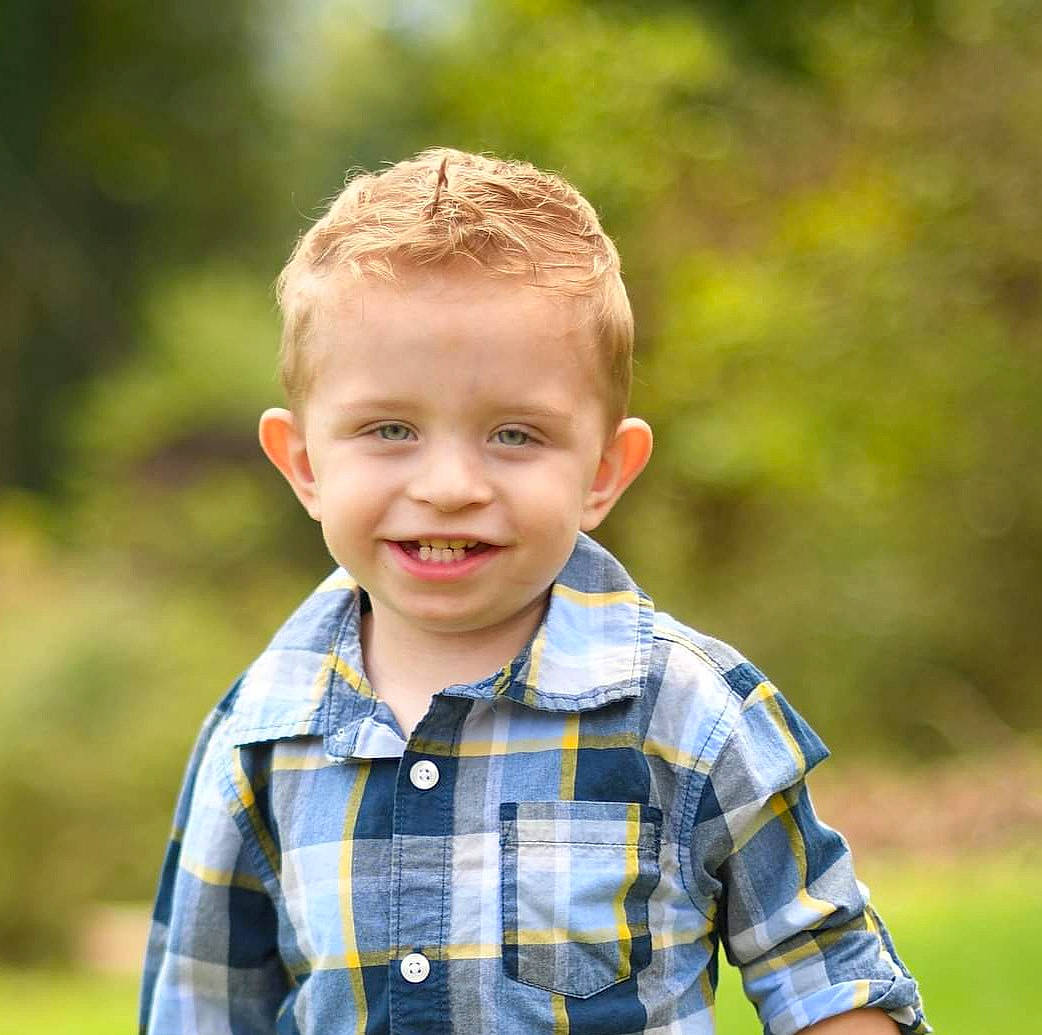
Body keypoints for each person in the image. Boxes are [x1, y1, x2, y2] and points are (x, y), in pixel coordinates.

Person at [140, 148, 929, 1035]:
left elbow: (831, 983)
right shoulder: (260, 737)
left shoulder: (690, 716)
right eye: (389, 428)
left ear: (603, 470)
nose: (448, 485)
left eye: (514, 434)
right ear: (304, 463)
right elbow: (200, 1008)